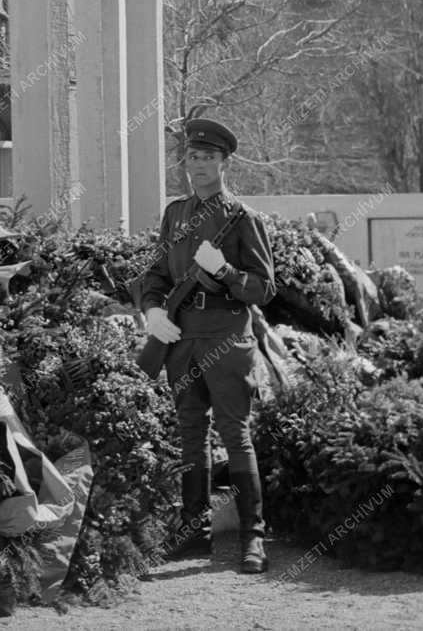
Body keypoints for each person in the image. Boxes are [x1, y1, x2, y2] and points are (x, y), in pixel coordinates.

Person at [139, 117, 276, 574]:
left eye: (208, 158)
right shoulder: (175, 214)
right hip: (181, 338)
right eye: (193, 157)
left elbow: (264, 289)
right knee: (191, 435)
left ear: (224, 164)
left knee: (235, 433)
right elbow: (157, 274)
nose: (198, 165)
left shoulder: (242, 218)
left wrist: (226, 273)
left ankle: (253, 537)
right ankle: (194, 531)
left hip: (226, 337)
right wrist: (152, 310)